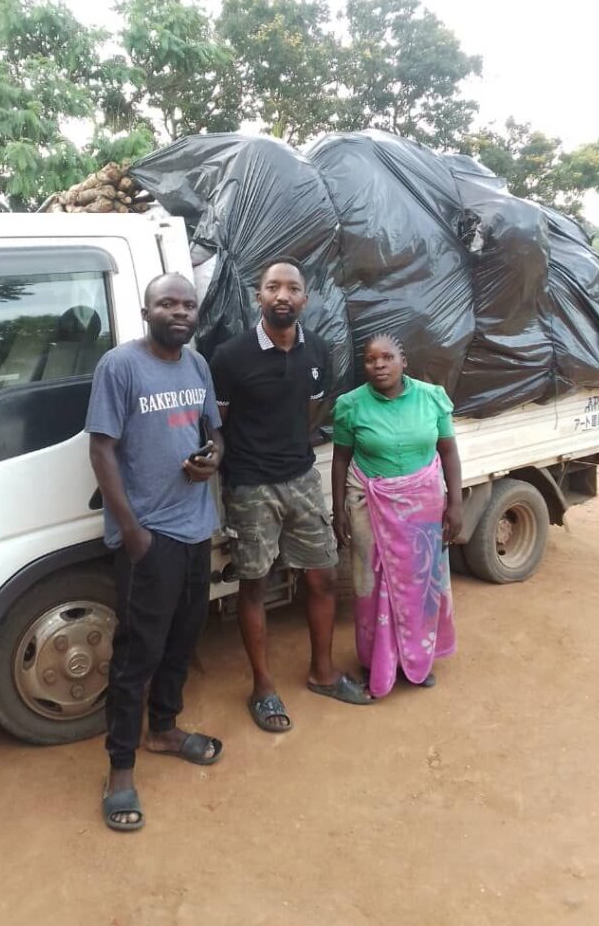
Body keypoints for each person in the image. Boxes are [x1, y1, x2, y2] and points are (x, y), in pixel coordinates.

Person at [86, 273, 225, 832]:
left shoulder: (198, 365)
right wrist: (132, 530)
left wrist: (212, 459)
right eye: (168, 303)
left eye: (188, 305)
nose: (180, 312)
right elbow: (101, 449)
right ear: (146, 310)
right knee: (136, 651)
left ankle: (164, 728)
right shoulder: (119, 366)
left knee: (183, 640)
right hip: (151, 535)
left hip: (197, 528)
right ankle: (120, 767)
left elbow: (214, 432)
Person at [210, 258, 371, 733]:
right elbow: (216, 421)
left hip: (301, 477)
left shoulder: (317, 350)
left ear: (304, 298)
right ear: (258, 296)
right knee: (255, 585)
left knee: (321, 578)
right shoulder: (230, 356)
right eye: (272, 287)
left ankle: (322, 673)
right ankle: (262, 687)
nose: (283, 295)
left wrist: (292, 445)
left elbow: (312, 406)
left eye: (292, 288)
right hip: (251, 485)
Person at [331, 334, 462, 699]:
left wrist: (456, 503)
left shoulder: (431, 398)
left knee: (422, 584)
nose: (379, 365)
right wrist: (338, 508)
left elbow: (448, 452)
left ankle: (419, 657)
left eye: (387, 357)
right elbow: (341, 459)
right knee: (371, 584)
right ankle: (378, 659)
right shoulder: (350, 405)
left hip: (424, 507)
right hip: (369, 506)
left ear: (403, 361)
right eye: (371, 360)